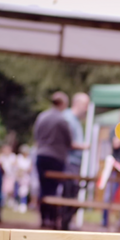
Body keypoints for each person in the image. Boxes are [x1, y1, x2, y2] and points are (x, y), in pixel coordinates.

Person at [33, 91, 72, 229]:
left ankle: (44, 218)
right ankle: (53, 219)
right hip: (56, 157)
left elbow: (36, 136)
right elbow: (69, 141)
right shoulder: (62, 120)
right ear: (62, 104)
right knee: (54, 189)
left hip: (41, 156)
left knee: (43, 188)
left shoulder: (41, 117)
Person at [60, 92, 92, 230]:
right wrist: (84, 146)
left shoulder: (75, 121)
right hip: (68, 163)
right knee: (69, 194)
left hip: (74, 163)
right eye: (85, 105)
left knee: (74, 194)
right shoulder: (67, 119)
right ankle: (64, 224)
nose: (86, 109)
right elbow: (66, 142)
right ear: (77, 104)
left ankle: (66, 223)